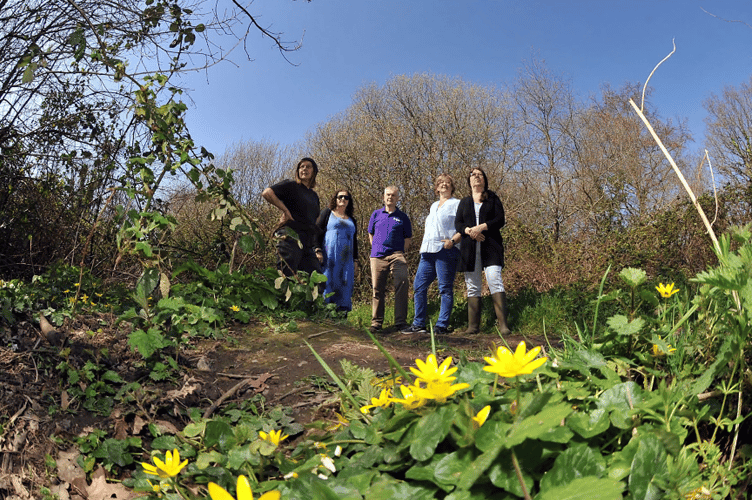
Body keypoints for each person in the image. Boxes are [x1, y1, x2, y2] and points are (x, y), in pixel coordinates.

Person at [402, 174, 461, 335]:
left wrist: (453, 241)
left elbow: (464, 227)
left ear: (452, 187)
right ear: (436, 188)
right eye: (441, 183)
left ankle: (442, 324)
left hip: (445, 250)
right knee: (419, 286)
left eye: (448, 183)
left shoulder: (457, 204)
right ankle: (419, 324)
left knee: (444, 288)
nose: (444, 185)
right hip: (427, 250)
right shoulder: (433, 205)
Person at [455, 167, 511, 335]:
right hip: (469, 248)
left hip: (491, 246)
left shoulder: (492, 198)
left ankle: (503, 326)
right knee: (472, 286)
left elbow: (500, 219)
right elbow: (458, 224)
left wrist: (482, 227)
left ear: (485, 180)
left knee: (494, 280)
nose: (476, 177)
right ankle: (473, 327)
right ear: (469, 181)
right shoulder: (464, 202)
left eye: (480, 175)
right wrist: (469, 231)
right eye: (473, 175)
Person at [261, 158, 323, 277]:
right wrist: (285, 210)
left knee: (317, 281)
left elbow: (314, 221)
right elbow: (267, 193)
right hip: (290, 236)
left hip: (307, 242)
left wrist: (316, 246)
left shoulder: (314, 196)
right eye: (301, 166)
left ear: (314, 172)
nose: (304, 169)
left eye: (308, 166)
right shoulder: (291, 185)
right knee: (287, 276)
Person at [367, 185, 412, 333]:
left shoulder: (403, 217)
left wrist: (401, 252)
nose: (390, 197)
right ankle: (377, 323)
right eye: (387, 195)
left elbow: (408, 238)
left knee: (402, 282)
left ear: (397, 198)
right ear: (383, 197)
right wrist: (376, 249)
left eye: (393, 195)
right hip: (377, 256)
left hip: (396, 255)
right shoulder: (376, 214)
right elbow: (371, 234)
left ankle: (400, 322)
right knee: (377, 289)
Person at [315, 189, 359, 312]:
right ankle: (326, 314)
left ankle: (342, 316)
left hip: (346, 261)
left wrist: (356, 260)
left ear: (349, 201)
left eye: (346, 198)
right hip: (329, 257)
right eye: (340, 197)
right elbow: (316, 232)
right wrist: (317, 250)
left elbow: (355, 242)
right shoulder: (327, 213)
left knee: (345, 284)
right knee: (328, 282)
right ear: (335, 199)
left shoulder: (352, 220)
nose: (343, 200)